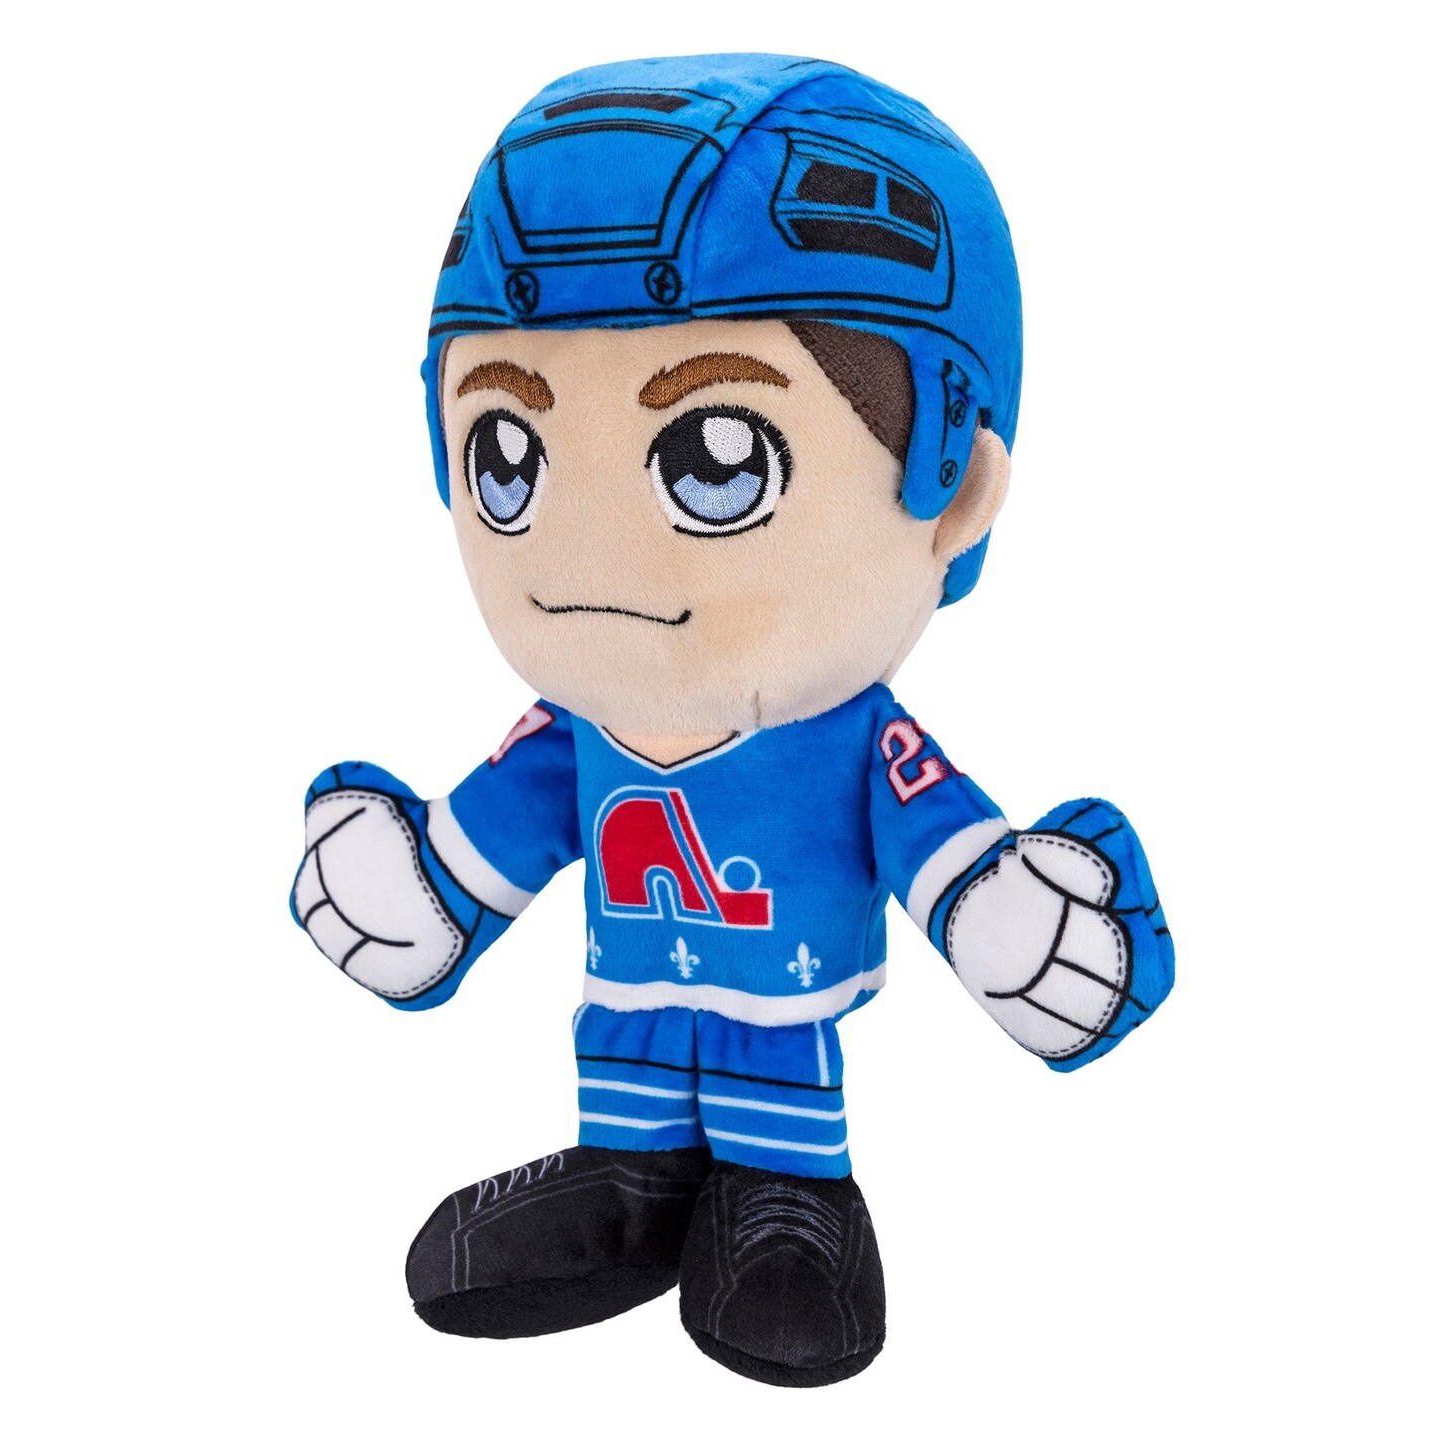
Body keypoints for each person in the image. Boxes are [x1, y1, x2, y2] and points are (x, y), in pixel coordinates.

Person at [292, 53, 1174, 1387]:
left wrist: (1014, 922)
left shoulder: (850, 742)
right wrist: (421, 884)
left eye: (716, 457)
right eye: (507, 457)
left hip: (781, 1010)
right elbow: (492, 838)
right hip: (626, 1007)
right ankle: (631, 1180)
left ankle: (787, 1198)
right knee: (628, 1069)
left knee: (775, 1108)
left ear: (950, 489)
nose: (588, 557)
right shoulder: (573, 732)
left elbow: (940, 846)